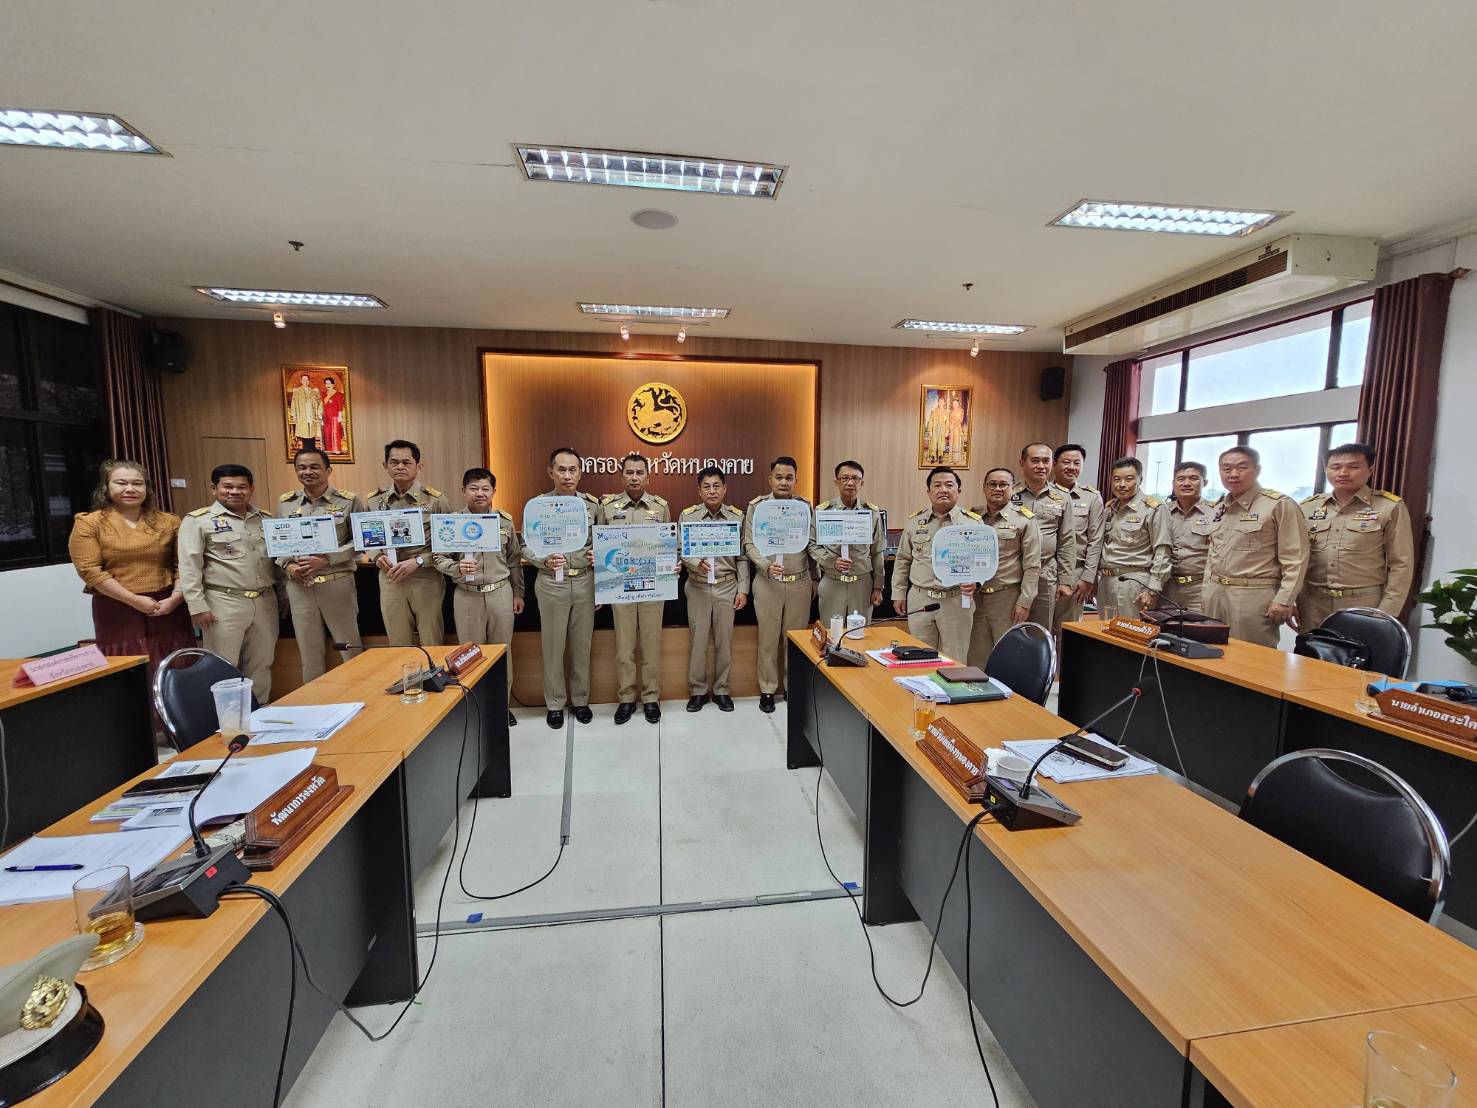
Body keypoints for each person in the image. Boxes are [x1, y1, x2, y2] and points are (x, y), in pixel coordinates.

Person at [67, 459, 193, 681]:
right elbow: (90, 570)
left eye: (138, 483)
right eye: (121, 483)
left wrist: (176, 598)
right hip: (116, 605)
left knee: (175, 663)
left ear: (147, 488)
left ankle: (175, 714)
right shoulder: (89, 523)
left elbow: (183, 563)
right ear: (106, 488)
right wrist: (134, 600)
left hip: (167, 605)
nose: (130, 489)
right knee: (128, 668)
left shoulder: (169, 522)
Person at [176, 464, 278, 702]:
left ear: (251, 488)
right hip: (223, 602)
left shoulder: (265, 519)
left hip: (264, 600)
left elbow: (276, 561)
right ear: (214, 489)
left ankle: (257, 712)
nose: (235, 491)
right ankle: (225, 720)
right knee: (223, 665)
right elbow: (189, 566)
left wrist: (282, 597)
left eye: (241, 486)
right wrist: (197, 605)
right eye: (228, 486)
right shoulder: (198, 521)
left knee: (262, 663)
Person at [434, 468, 524, 727]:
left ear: (494, 492)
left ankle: (500, 707)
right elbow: (439, 558)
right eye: (474, 488)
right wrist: (456, 569)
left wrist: (518, 593)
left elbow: (514, 561)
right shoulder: (451, 523)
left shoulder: (504, 522)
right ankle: (474, 707)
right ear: (464, 491)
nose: (480, 493)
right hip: (466, 595)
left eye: (486, 488)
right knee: (469, 655)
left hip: (500, 593)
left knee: (501, 653)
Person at [1297, 442, 1415, 630]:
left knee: (1358, 658)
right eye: (1335, 467)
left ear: (1370, 470)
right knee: (1309, 656)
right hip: (1312, 603)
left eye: (1353, 467)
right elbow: (1294, 557)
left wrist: (1386, 612)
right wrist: (1289, 600)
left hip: (1364, 605)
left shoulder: (1389, 506)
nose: (1343, 472)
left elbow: (1401, 563)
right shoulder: (1308, 507)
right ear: (1326, 470)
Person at [1203, 446, 1309, 647]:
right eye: (1226, 469)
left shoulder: (1278, 505)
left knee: (1251, 657)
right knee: (1211, 652)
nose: (1233, 474)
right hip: (1216, 593)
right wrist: (1206, 593)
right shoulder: (1219, 507)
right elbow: (1212, 554)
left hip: (1253, 595)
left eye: (1241, 467)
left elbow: (1296, 557)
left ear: (1257, 470)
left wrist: (1284, 599)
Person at [276, 448, 364, 683]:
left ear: (328, 470)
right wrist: (289, 567)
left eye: (314, 466)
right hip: (300, 587)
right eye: (302, 467)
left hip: (336, 584)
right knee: (309, 653)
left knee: (350, 649)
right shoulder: (286, 503)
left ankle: (360, 698)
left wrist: (328, 559)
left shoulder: (348, 500)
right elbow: (277, 544)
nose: (308, 471)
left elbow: (363, 541)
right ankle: (315, 706)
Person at [527, 447, 599, 729]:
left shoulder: (593, 506)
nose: (568, 476)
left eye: (573, 470)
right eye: (562, 470)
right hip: (550, 581)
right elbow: (525, 545)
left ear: (580, 473)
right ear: (551, 472)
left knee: (582, 647)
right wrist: (541, 558)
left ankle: (581, 701)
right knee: (553, 646)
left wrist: (599, 555)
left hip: (584, 580)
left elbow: (605, 540)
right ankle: (555, 704)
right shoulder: (538, 506)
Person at [598, 454, 670, 725]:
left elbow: (668, 545)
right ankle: (626, 698)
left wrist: (670, 565)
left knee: (651, 646)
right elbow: (600, 546)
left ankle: (651, 698)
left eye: (640, 472)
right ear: (622, 476)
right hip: (619, 588)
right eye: (629, 472)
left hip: (652, 588)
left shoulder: (660, 507)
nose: (634, 477)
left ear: (648, 477)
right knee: (624, 648)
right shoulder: (607, 507)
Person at [743, 456, 814, 714]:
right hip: (768, 582)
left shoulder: (805, 507)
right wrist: (764, 564)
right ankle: (768, 689)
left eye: (789, 478)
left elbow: (813, 543)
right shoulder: (757, 507)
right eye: (779, 477)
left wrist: (814, 581)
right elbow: (749, 543)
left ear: (796, 480)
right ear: (770, 479)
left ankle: (792, 687)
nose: (784, 482)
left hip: (799, 583)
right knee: (768, 640)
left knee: (795, 641)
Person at [365, 440, 451, 648]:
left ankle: (432, 681)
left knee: (431, 640)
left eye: (406, 462)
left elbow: (448, 546)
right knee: (398, 642)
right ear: (385, 466)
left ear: (418, 466)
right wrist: (377, 556)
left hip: (425, 576)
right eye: (394, 462)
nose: (400, 467)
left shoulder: (436, 501)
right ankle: (408, 682)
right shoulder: (374, 501)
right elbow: (367, 538)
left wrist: (419, 561)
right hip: (390, 576)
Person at [891, 467, 980, 664]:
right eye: (937, 485)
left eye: (949, 485)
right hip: (920, 598)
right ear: (929, 491)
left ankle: (953, 693)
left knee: (955, 657)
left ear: (959, 490)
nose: (943, 489)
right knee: (918, 655)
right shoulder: (915, 522)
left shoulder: (973, 523)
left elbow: (984, 561)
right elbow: (903, 560)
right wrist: (898, 592)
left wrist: (977, 582)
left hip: (956, 599)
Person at [680, 467, 748, 713]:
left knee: (724, 641)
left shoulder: (737, 517)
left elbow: (742, 557)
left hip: (727, 586)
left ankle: (722, 690)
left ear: (725, 488)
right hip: (697, 586)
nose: (712, 491)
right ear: (699, 490)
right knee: (697, 642)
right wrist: (695, 562)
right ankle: (698, 691)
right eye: (706, 486)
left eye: (716, 485)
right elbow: (680, 551)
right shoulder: (688, 516)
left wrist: (743, 589)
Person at [967, 467, 1041, 666]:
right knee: (976, 656)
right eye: (992, 484)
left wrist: (1025, 601)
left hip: (1007, 598)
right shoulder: (972, 518)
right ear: (984, 488)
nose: (997, 489)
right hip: (976, 598)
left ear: (1013, 488)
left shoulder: (1024, 519)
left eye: (1003, 484)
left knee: (1008, 656)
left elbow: (1032, 565)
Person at [809, 460, 886, 629]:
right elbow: (812, 545)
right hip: (832, 581)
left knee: (859, 635)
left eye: (855, 479)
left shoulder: (871, 512)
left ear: (862, 483)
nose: (850, 483)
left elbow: (877, 551)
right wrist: (831, 561)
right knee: (830, 635)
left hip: (862, 583)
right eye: (845, 478)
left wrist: (878, 586)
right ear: (836, 481)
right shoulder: (823, 511)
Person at [1096, 457, 1171, 621]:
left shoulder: (1153, 508)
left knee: (1131, 635)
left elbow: (1162, 551)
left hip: (1134, 583)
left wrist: (1152, 590)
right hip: (1106, 582)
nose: (1122, 484)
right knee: (1103, 635)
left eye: (1129, 479)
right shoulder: (1109, 509)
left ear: (1140, 480)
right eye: (1117, 479)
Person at [1012, 442, 1076, 629]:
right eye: (1035, 461)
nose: (1041, 466)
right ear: (1022, 463)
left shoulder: (1062, 498)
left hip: (1045, 573)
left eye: (1046, 461)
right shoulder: (1010, 494)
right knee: (1011, 627)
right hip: (1013, 573)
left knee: (1040, 630)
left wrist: (1066, 581)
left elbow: (1067, 541)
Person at [1050, 443, 1105, 634]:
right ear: (1054, 464)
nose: (1071, 467)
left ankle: (1064, 666)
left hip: (1076, 574)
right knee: (1038, 630)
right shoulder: (1043, 495)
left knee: (1067, 632)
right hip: (1045, 571)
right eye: (1066, 462)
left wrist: (1088, 577)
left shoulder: (1091, 497)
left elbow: (1096, 540)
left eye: (1077, 463)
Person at [1163, 461, 1215, 611]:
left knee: (1198, 632)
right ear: (1173, 484)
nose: (1186, 483)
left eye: (1193, 478)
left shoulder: (1216, 512)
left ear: (1204, 482)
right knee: (1163, 631)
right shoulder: (1162, 511)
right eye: (1181, 479)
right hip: (1166, 588)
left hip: (1199, 589)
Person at [287, 373, 323, 450]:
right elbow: (293, 403)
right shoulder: (297, 392)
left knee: (312, 433)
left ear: (309, 381)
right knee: (304, 433)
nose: (305, 381)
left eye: (307, 380)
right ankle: (306, 449)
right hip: (302, 415)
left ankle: (312, 449)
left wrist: (319, 413)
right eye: (304, 380)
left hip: (311, 414)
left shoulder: (313, 391)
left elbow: (320, 402)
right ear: (301, 381)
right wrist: (294, 414)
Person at [320, 376, 346, 455]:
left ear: (333, 384)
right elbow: (322, 406)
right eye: (326, 383)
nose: (328, 385)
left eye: (329, 383)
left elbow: (340, 406)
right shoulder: (324, 394)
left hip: (335, 417)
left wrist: (339, 417)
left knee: (335, 433)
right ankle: (329, 450)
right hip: (326, 417)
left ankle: (336, 449)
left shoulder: (338, 394)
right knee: (327, 433)